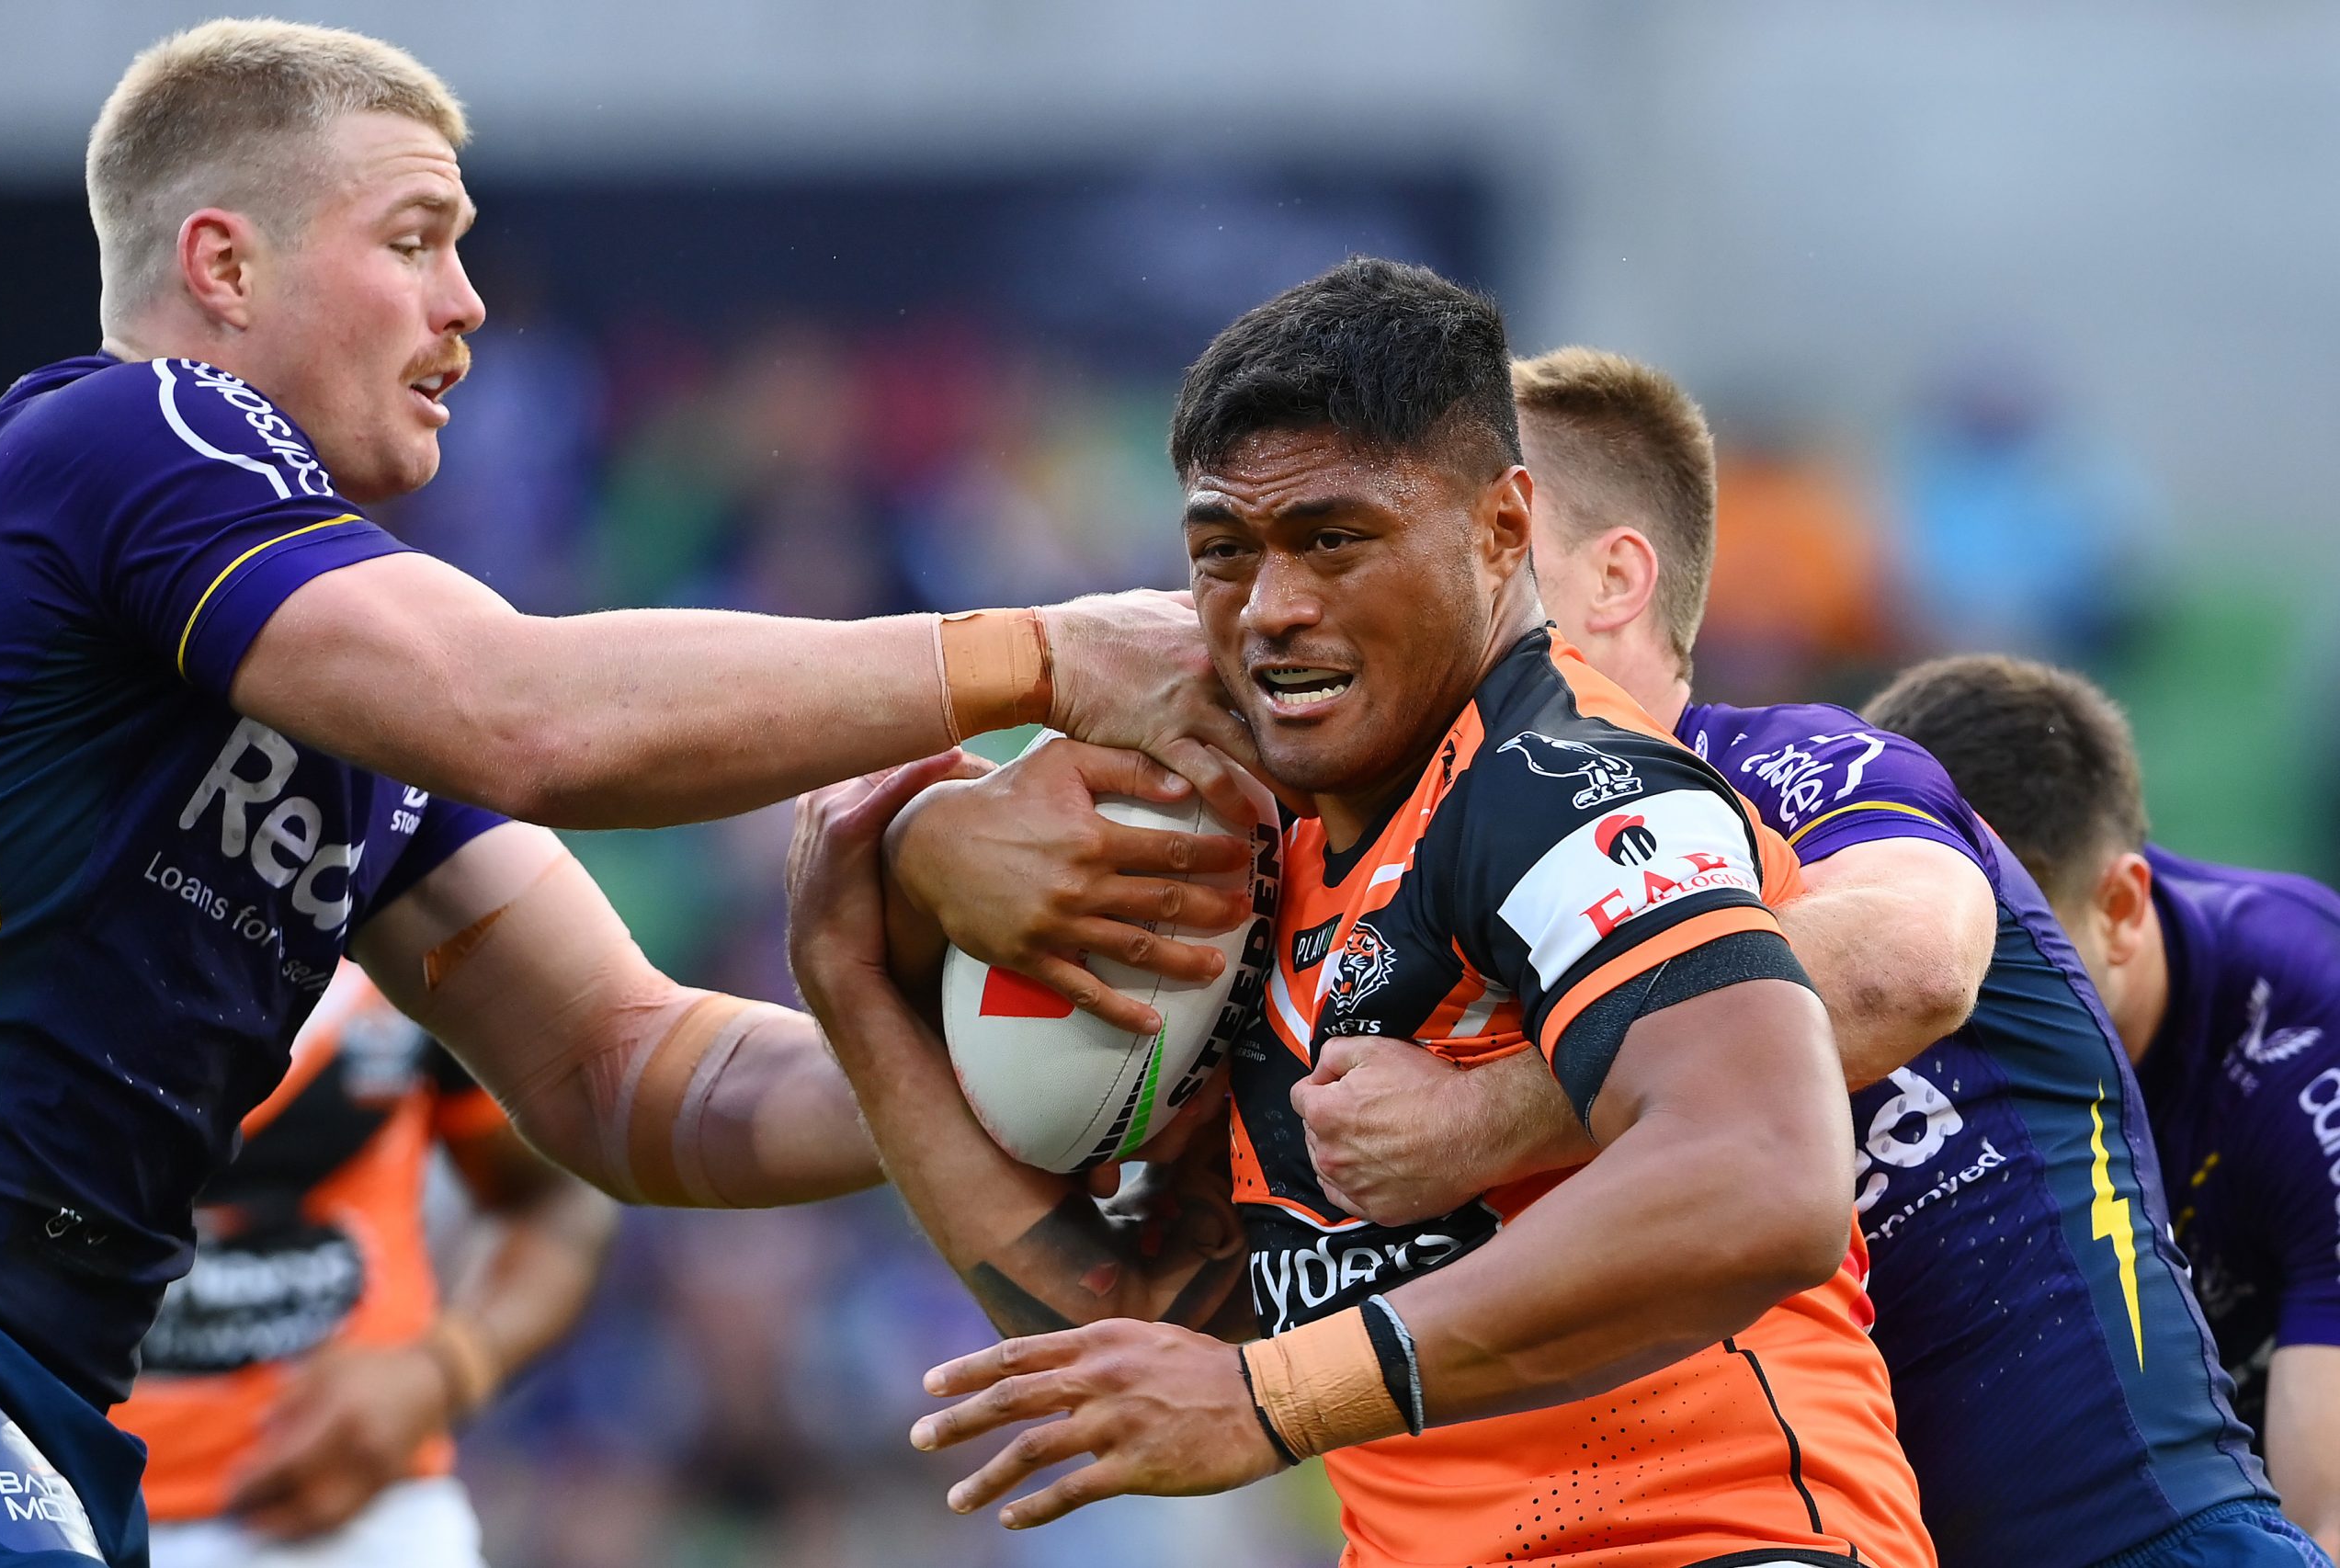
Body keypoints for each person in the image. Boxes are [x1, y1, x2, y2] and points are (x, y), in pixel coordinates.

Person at [0, 20, 1253, 1566]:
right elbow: (525, 716)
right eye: (414, 242)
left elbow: (636, 1078)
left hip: (53, 1382)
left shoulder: (334, 680)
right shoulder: (138, 430)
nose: (469, 306)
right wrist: (1037, 652)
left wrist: (1040, 1082)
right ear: (223, 268)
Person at [794, 258, 1937, 1568]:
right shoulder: (1269, 848)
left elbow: (1763, 1175)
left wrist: (1270, 1400)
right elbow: (1154, 1313)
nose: (1273, 608)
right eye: (1224, 551)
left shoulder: (1559, 783)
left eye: (1333, 539)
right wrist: (848, 975)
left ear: (1506, 530)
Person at [1867, 653, 2340, 1556]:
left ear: (2121, 906)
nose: (1963, 1017)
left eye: (2010, 956)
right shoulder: (1894, 993)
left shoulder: (2307, 1027)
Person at [107, 965, 614, 1567]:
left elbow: (559, 1199)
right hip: (34, 1503)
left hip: (350, 1516)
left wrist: (444, 1370)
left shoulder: (420, 907)